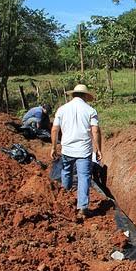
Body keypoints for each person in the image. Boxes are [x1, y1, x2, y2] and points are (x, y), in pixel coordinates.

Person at [50, 84, 101, 218]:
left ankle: (65, 198)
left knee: (66, 171)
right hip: (84, 150)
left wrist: (53, 147)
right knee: (84, 177)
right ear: (85, 96)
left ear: (73, 95)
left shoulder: (62, 109)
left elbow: (55, 129)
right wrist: (98, 149)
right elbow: (95, 130)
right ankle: (82, 207)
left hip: (67, 148)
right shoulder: (91, 110)